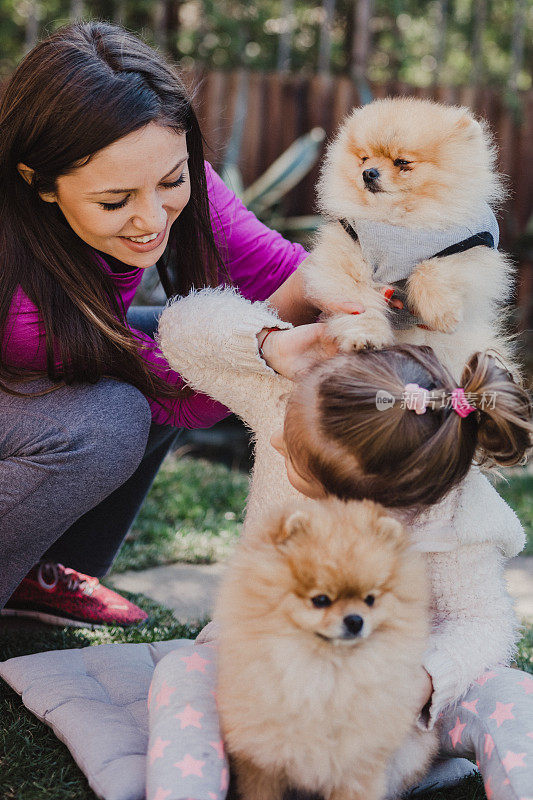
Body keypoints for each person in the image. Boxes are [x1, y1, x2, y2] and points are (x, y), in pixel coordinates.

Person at [0, 20, 358, 627]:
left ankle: (35, 571)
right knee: (107, 420)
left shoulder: (163, 175)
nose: (151, 218)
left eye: (171, 181)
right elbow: (179, 384)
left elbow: (281, 274)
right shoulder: (24, 303)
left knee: (179, 341)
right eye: (114, 202)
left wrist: (361, 279)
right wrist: (267, 348)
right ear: (40, 183)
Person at [158, 286, 533, 797]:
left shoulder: (452, 510)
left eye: (289, 454)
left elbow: (482, 619)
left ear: (359, 498)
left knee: (506, 694)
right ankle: (188, 787)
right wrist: (273, 343)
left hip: (393, 693)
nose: (273, 442)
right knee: (184, 671)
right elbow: (182, 328)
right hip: (269, 677)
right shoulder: (299, 410)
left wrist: (424, 680)